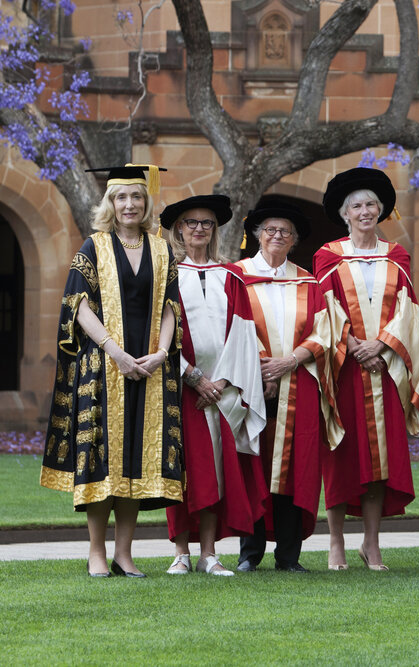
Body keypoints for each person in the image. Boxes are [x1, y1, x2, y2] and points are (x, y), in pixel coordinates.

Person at [40, 164, 181, 578]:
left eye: (137, 196)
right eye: (122, 197)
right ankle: (96, 552)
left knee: (135, 460)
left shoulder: (162, 249)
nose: (130, 204)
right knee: (103, 459)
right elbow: (77, 306)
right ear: (111, 204)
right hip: (103, 367)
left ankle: (124, 553)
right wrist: (114, 351)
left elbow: (171, 306)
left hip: (150, 368)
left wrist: (161, 352)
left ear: (146, 202)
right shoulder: (93, 246)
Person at [314, 168, 419, 571]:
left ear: (381, 211)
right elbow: (324, 309)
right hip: (344, 368)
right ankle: (337, 543)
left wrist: (382, 345)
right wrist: (354, 345)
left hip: (387, 369)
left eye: (371, 205)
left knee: (381, 462)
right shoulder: (328, 255)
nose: (365, 211)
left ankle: (372, 544)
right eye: (357, 206)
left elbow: (408, 309)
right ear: (345, 214)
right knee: (341, 456)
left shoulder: (396, 254)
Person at [233, 197, 343, 573]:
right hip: (252, 384)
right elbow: (234, 326)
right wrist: (261, 368)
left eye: (285, 232)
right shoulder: (238, 276)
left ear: (294, 240)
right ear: (256, 235)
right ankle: (249, 553)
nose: (276, 236)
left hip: (300, 384)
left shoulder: (307, 281)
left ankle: (289, 556)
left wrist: (288, 362)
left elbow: (323, 332)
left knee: (297, 466)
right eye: (270, 230)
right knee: (254, 463)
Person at [161, 194, 268, 576]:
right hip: (181, 388)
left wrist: (219, 382)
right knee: (182, 470)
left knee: (216, 471)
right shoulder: (168, 275)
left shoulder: (231, 276)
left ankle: (208, 553)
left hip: (221, 393)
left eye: (207, 223)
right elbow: (160, 334)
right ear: (179, 229)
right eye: (191, 222)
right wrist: (193, 377)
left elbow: (242, 332)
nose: (200, 229)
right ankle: (181, 552)